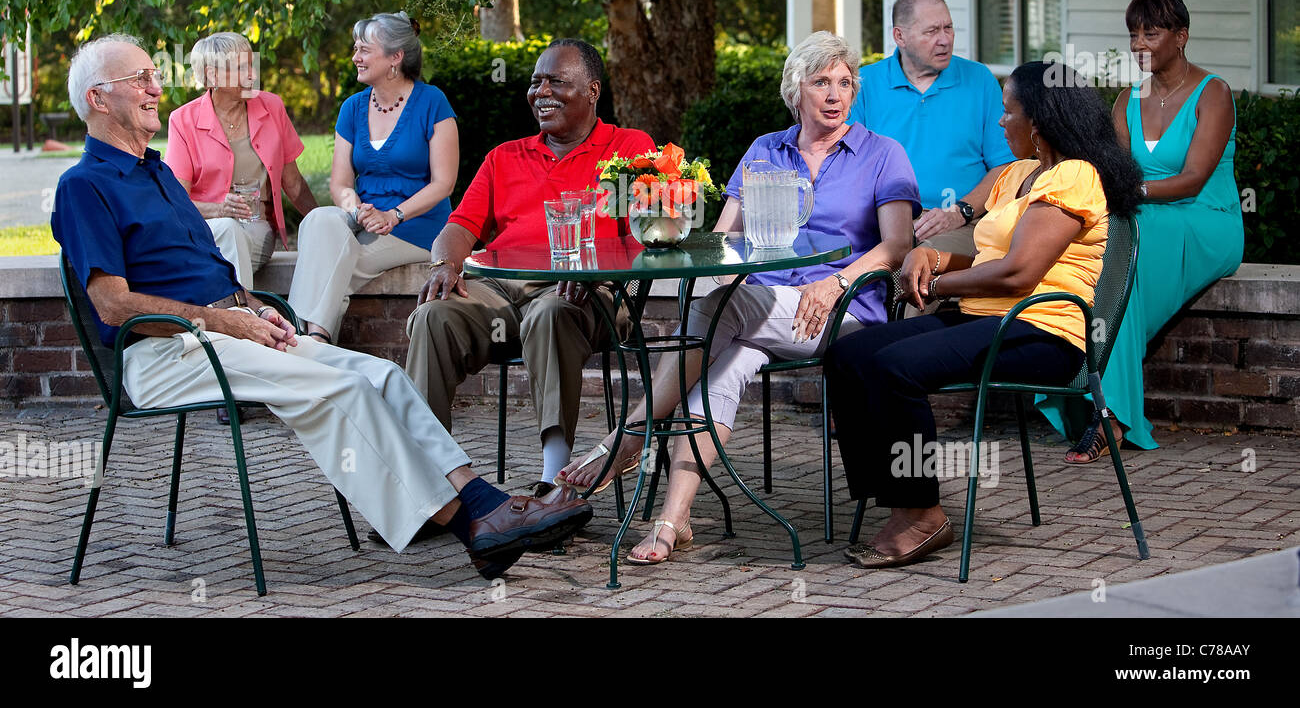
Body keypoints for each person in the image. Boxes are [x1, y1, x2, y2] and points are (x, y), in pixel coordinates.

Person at [53, 34, 592, 580]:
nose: (155, 87)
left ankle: (479, 500)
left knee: (380, 374)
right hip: (164, 351)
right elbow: (113, 304)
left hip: (224, 331)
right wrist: (223, 320)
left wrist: (253, 309)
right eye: (140, 79)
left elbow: (203, 271)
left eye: (153, 74)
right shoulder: (84, 185)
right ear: (99, 99)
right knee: (340, 389)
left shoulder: (157, 173)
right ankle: (472, 524)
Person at [557, 31, 920, 565]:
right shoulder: (765, 150)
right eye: (821, 82)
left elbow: (897, 244)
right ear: (796, 90)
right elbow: (723, 242)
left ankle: (627, 438)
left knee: (719, 309)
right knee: (720, 359)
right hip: (761, 313)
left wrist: (835, 281)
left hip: (840, 313)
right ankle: (671, 520)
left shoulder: (882, 154)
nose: (835, 93)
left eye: (845, 83)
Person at [823, 62, 1142, 569]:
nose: (999, 123)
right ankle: (890, 497)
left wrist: (936, 283)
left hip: (1044, 333)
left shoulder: (1075, 177)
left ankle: (922, 513)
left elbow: (1018, 273)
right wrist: (932, 257)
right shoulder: (1016, 175)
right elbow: (985, 256)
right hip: (986, 319)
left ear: (1036, 123)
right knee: (848, 354)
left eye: (1007, 112)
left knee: (893, 368)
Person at [405, 38, 656, 495]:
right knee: (433, 316)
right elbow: (460, 226)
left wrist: (595, 272)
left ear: (593, 90)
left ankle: (554, 481)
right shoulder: (505, 156)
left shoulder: (629, 149)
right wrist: (445, 263)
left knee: (551, 312)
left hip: (591, 294)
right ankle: (428, 486)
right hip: (501, 293)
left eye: (556, 81)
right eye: (536, 82)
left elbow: (645, 237)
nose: (541, 91)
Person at [1038, 0, 1244, 463]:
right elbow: (1111, 169)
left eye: (1151, 32)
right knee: (1092, 253)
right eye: (1134, 34)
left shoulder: (1213, 93)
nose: (1139, 43)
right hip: (1144, 216)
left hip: (1204, 221)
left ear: (1181, 36)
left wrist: (1129, 196)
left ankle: (1110, 417)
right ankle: (1083, 396)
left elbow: (1193, 180)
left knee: (1124, 255)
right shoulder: (1128, 99)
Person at [288, 11, 459, 344]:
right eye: (356, 49)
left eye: (364, 50)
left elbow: (444, 183)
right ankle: (315, 344)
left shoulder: (432, 102)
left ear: (395, 57)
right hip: (365, 220)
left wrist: (393, 215)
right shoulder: (352, 108)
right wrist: (355, 210)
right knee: (320, 221)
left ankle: (306, 340)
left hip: (416, 226)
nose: (355, 57)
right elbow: (339, 184)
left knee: (335, 261)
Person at [846, 0, 1013, 260]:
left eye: (948, 28)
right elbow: (849, 168)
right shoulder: (864, 84)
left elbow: (1005, 167)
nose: (945, 40)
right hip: (882, 222)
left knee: (918, 265)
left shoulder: (979, 80)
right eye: (932, 31)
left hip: (963, 222)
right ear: (900, 36)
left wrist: (961, 211)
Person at [165, 32, 318, 289]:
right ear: (212, 76)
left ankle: (235, 321)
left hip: (256, 229)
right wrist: (219, 209)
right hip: (204, 230)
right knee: (225, 229)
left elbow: (294, 184)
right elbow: (176, 199)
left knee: (229, 241)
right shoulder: (183, 120)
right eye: (240, 68)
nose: (251, 74)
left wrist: (321, 223)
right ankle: (240, 318)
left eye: (251, 64)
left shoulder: (272, 107)